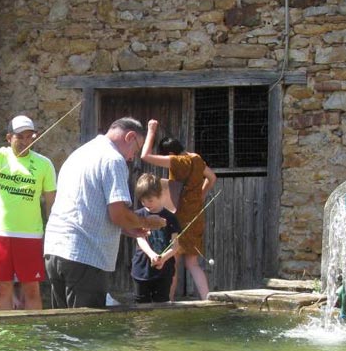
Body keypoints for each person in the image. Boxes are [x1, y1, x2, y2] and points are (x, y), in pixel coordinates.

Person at [43, 117, 164, 309]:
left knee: (63, 328)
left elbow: (87, 208)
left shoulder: (80, 153)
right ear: (130, 136)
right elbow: (118, 215)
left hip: (55, 251)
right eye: (136, 148)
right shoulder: (113, 159)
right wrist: (148, 222)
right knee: (86, 331)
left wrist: (126, 230)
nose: (132, 157)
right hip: (85, 255)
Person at [0, 114, 56, 311]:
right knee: (2, 289)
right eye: (19, 136)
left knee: (31, 289)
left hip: (30, 235)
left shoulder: (44, 164)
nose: (25, 141)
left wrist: (53, 231)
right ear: (9, 138)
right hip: (2, 233)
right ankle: (2, 336)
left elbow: (51, 202)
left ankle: (32, 334)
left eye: (29, 136)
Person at [140, 119, 217, 300]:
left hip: (178, 217)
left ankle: (170, 300)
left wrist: (151, 131)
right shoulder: (196, 159)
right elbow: (212, 178)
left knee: (172, 262)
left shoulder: (177, 161)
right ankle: (207, 299)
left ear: (171, 153)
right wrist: (201, 195)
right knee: (193, 263)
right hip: (196, 216)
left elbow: (145, 156)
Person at [131, 174, 181, 304]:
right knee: (141, 307)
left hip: (164, 272)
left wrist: (163, 258)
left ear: (160, 195)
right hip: (142, 270)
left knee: (162, 305)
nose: (146, 204)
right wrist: (152, 255)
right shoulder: (139, 216)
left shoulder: (171, 218)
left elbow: (175, 246)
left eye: (150, 200)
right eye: (143, 201)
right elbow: (140, 238)